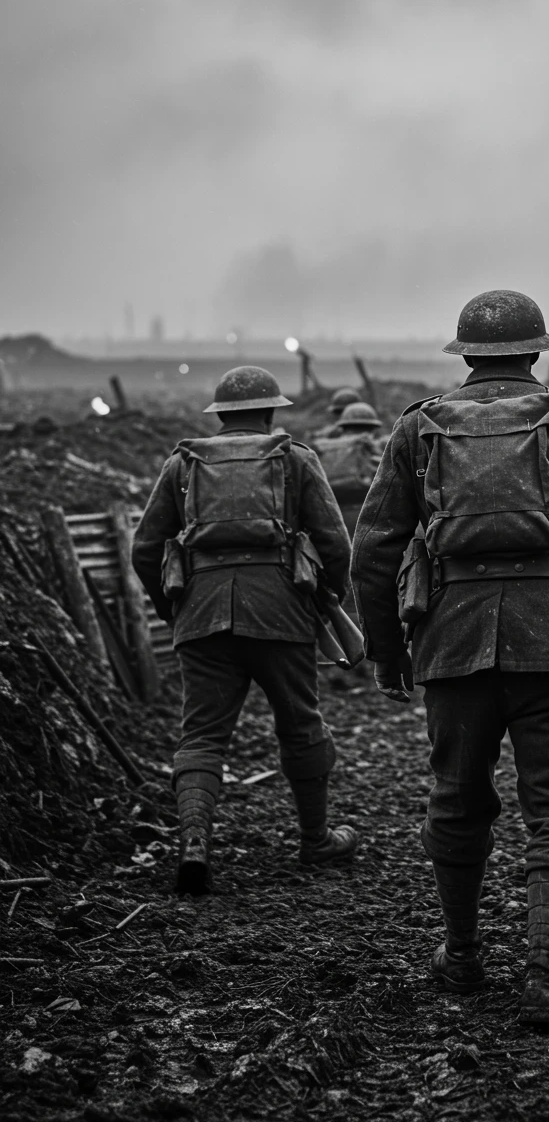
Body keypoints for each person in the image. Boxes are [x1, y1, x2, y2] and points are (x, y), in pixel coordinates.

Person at [351, 290, 549, 1027]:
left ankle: (460, 958)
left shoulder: (418, 428)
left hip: (452, 642)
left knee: (456, 801)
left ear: (465, 356)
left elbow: (372, 551)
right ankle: (547, 978)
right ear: (536, 351)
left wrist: (389, 655)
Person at [132, 365, 357, 894]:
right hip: (281, 610)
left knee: (202, 735)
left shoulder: (182, 464)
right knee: (301, 723)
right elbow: (336, 544)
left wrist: (176, 612)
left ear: (220, 415)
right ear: (271, 411)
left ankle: (194, 844)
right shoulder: (295, 458)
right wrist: (326, 601)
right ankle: (316, 839)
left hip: (201, 614)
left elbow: (145, 548)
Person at [312, 401, 384, 536]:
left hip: (333, 519)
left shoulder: (324, 449)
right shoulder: (376, 451)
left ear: (342, 428)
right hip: (370, 519)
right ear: (373, 429)